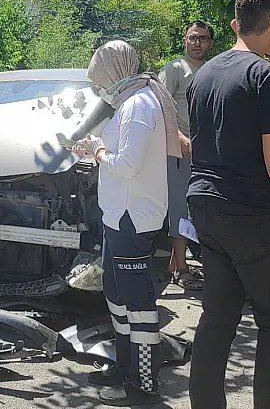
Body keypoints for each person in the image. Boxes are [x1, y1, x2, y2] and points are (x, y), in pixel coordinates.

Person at [186, 0, 270, 409]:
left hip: (205, 205)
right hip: (255, 214)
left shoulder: (202, 76)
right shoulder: (268, 78)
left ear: (233, 25)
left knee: (217, 318)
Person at [74, 39, 182, 406]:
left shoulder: (138, 104)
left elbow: (127, 164)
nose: (98, 86)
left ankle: (143, 382)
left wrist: (98, 152)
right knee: (117, 296)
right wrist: (93, 148)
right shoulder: (129, 100)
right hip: (119, 215)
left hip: (134, 217)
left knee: (138, 302)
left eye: (99, 77)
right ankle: (124, 366)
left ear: (114, 70)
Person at [160, 20, 214, 291]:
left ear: (211, 43)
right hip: (179, 151)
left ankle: (176, 263)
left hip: (209, 152)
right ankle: (181, 269)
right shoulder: (174, 70)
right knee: (180, 209)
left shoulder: (215, 70)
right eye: (193, 37)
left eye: (203, 38)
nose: (197, 43)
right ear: (185, 40)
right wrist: (179, 138)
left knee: (200, 208)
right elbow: (159, 108)